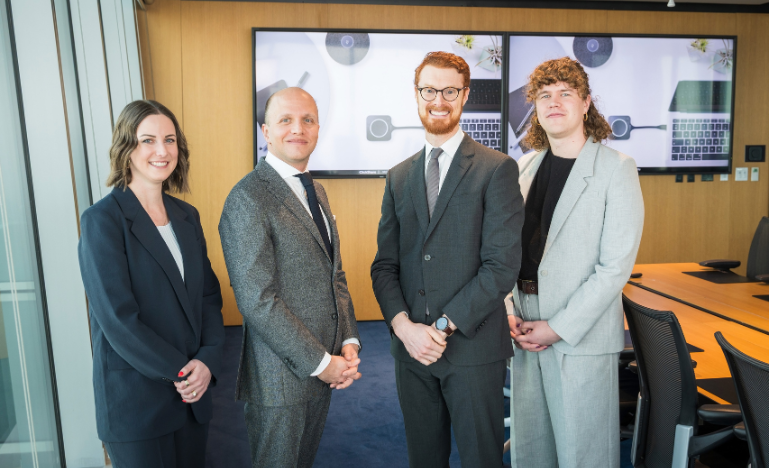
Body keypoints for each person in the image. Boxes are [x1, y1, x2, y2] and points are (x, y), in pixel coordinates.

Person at [371, 51, 525, 468]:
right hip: (411, 353)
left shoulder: (497, 169)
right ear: (416, 95)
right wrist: (405, 328)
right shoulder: (398, 176)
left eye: (450, 91)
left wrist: (438, 328)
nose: (439, 100)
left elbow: (501, 267)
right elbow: (384, 266)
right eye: (429, 90)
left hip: (472, 351)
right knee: (424, 459)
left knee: (481, 459)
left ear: (465, 95)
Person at [507, 57, 645, 468]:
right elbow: (508, 250)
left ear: (586, 104)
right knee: (532, 449)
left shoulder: (615, 169)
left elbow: (614, 268)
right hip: (524, 326)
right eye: (545, 95)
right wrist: (509, 308)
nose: (554, 102)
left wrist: (558, 327)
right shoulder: (525, 166)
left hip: (578, 335)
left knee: (582, 454)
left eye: (566, 93)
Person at [219, 87, 361, 468]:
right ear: (266, 132)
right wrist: (320, 362)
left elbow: (335, 274)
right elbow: (257, 300)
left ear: (318, 128)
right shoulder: (248, 198)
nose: (298, 128)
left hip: (324, 366)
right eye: (286, 120)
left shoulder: (315, 190)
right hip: (281, 379)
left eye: (308, 120)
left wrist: (348, 340)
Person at [78, 100, 225, 467]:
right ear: (126, 149)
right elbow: (118, 320)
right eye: (148, 140)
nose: (162, 151)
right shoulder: (102, 220)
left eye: (170, 140)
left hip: (193, 395)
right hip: (138, 403)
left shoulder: (186, 216)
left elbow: (208, 296)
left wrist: (207, 360)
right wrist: (182, 372)